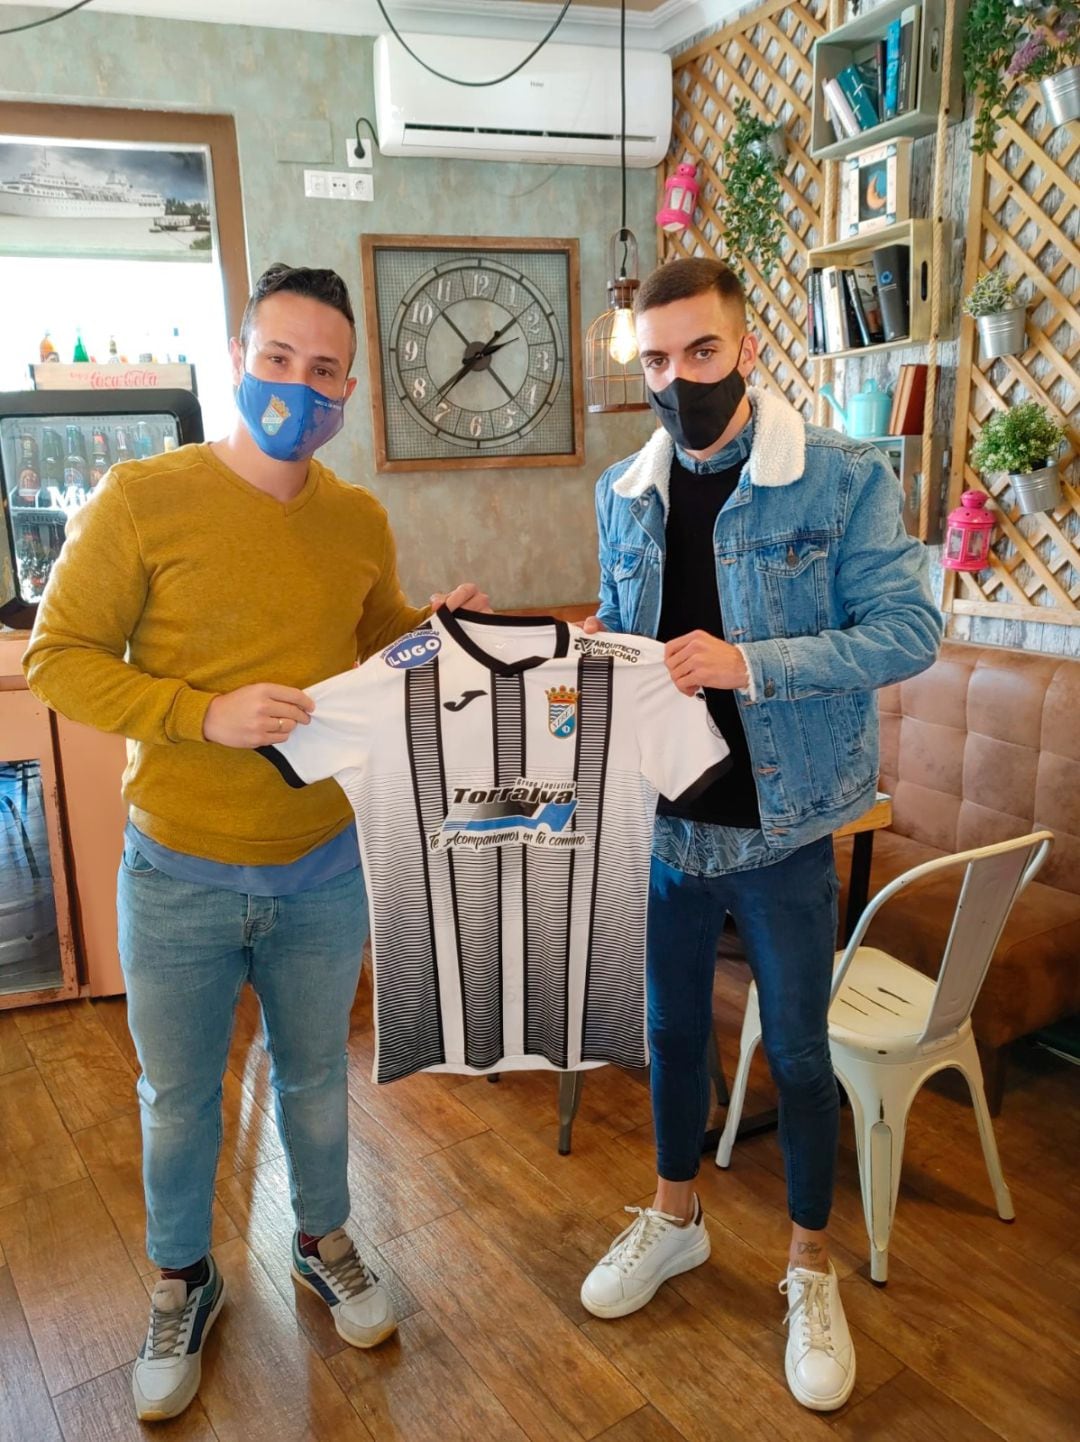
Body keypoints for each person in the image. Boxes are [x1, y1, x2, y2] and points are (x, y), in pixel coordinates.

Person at [23, 262, 488, 1423]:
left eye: (323, 370)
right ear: (238, 358)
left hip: (322, 865)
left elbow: (375, 642)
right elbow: (58, 656)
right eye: (276, 358)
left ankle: (322, 1238)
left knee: (321, 1077)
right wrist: (201, 711)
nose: (297, 384)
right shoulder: (141, 498)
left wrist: (434, 628)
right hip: (176, 866)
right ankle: (184, 1277)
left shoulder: (356, 518)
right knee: (179, 1096)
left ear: (345, 392)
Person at [578, 257, 941, 1412]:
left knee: (797, 1053)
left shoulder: (837, 478)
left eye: (699, 352)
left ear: (745, 348)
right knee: (672, 1034)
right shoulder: (622, 491)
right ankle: (676, 1215)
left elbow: (910, 629)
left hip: (785, 821)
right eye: (654, 358)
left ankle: (807, 1263)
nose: (676, 378)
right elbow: (632, 634)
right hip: (668, 817)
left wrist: (754, 665)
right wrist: (592, 644)